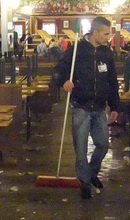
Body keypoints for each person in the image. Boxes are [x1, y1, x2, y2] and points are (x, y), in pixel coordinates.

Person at [50, 16, 120, 200]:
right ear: (95, 32)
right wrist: (63, 81)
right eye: (106, 33)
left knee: (103, 144)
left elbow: (112, 80)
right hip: (81, 105)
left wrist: (114, 105)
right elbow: (58, 70)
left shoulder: (106, 53)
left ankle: (91, 172)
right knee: (80, 150)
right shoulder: (76, 50)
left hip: (99, 107)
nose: (108, 37)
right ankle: (85, 183)